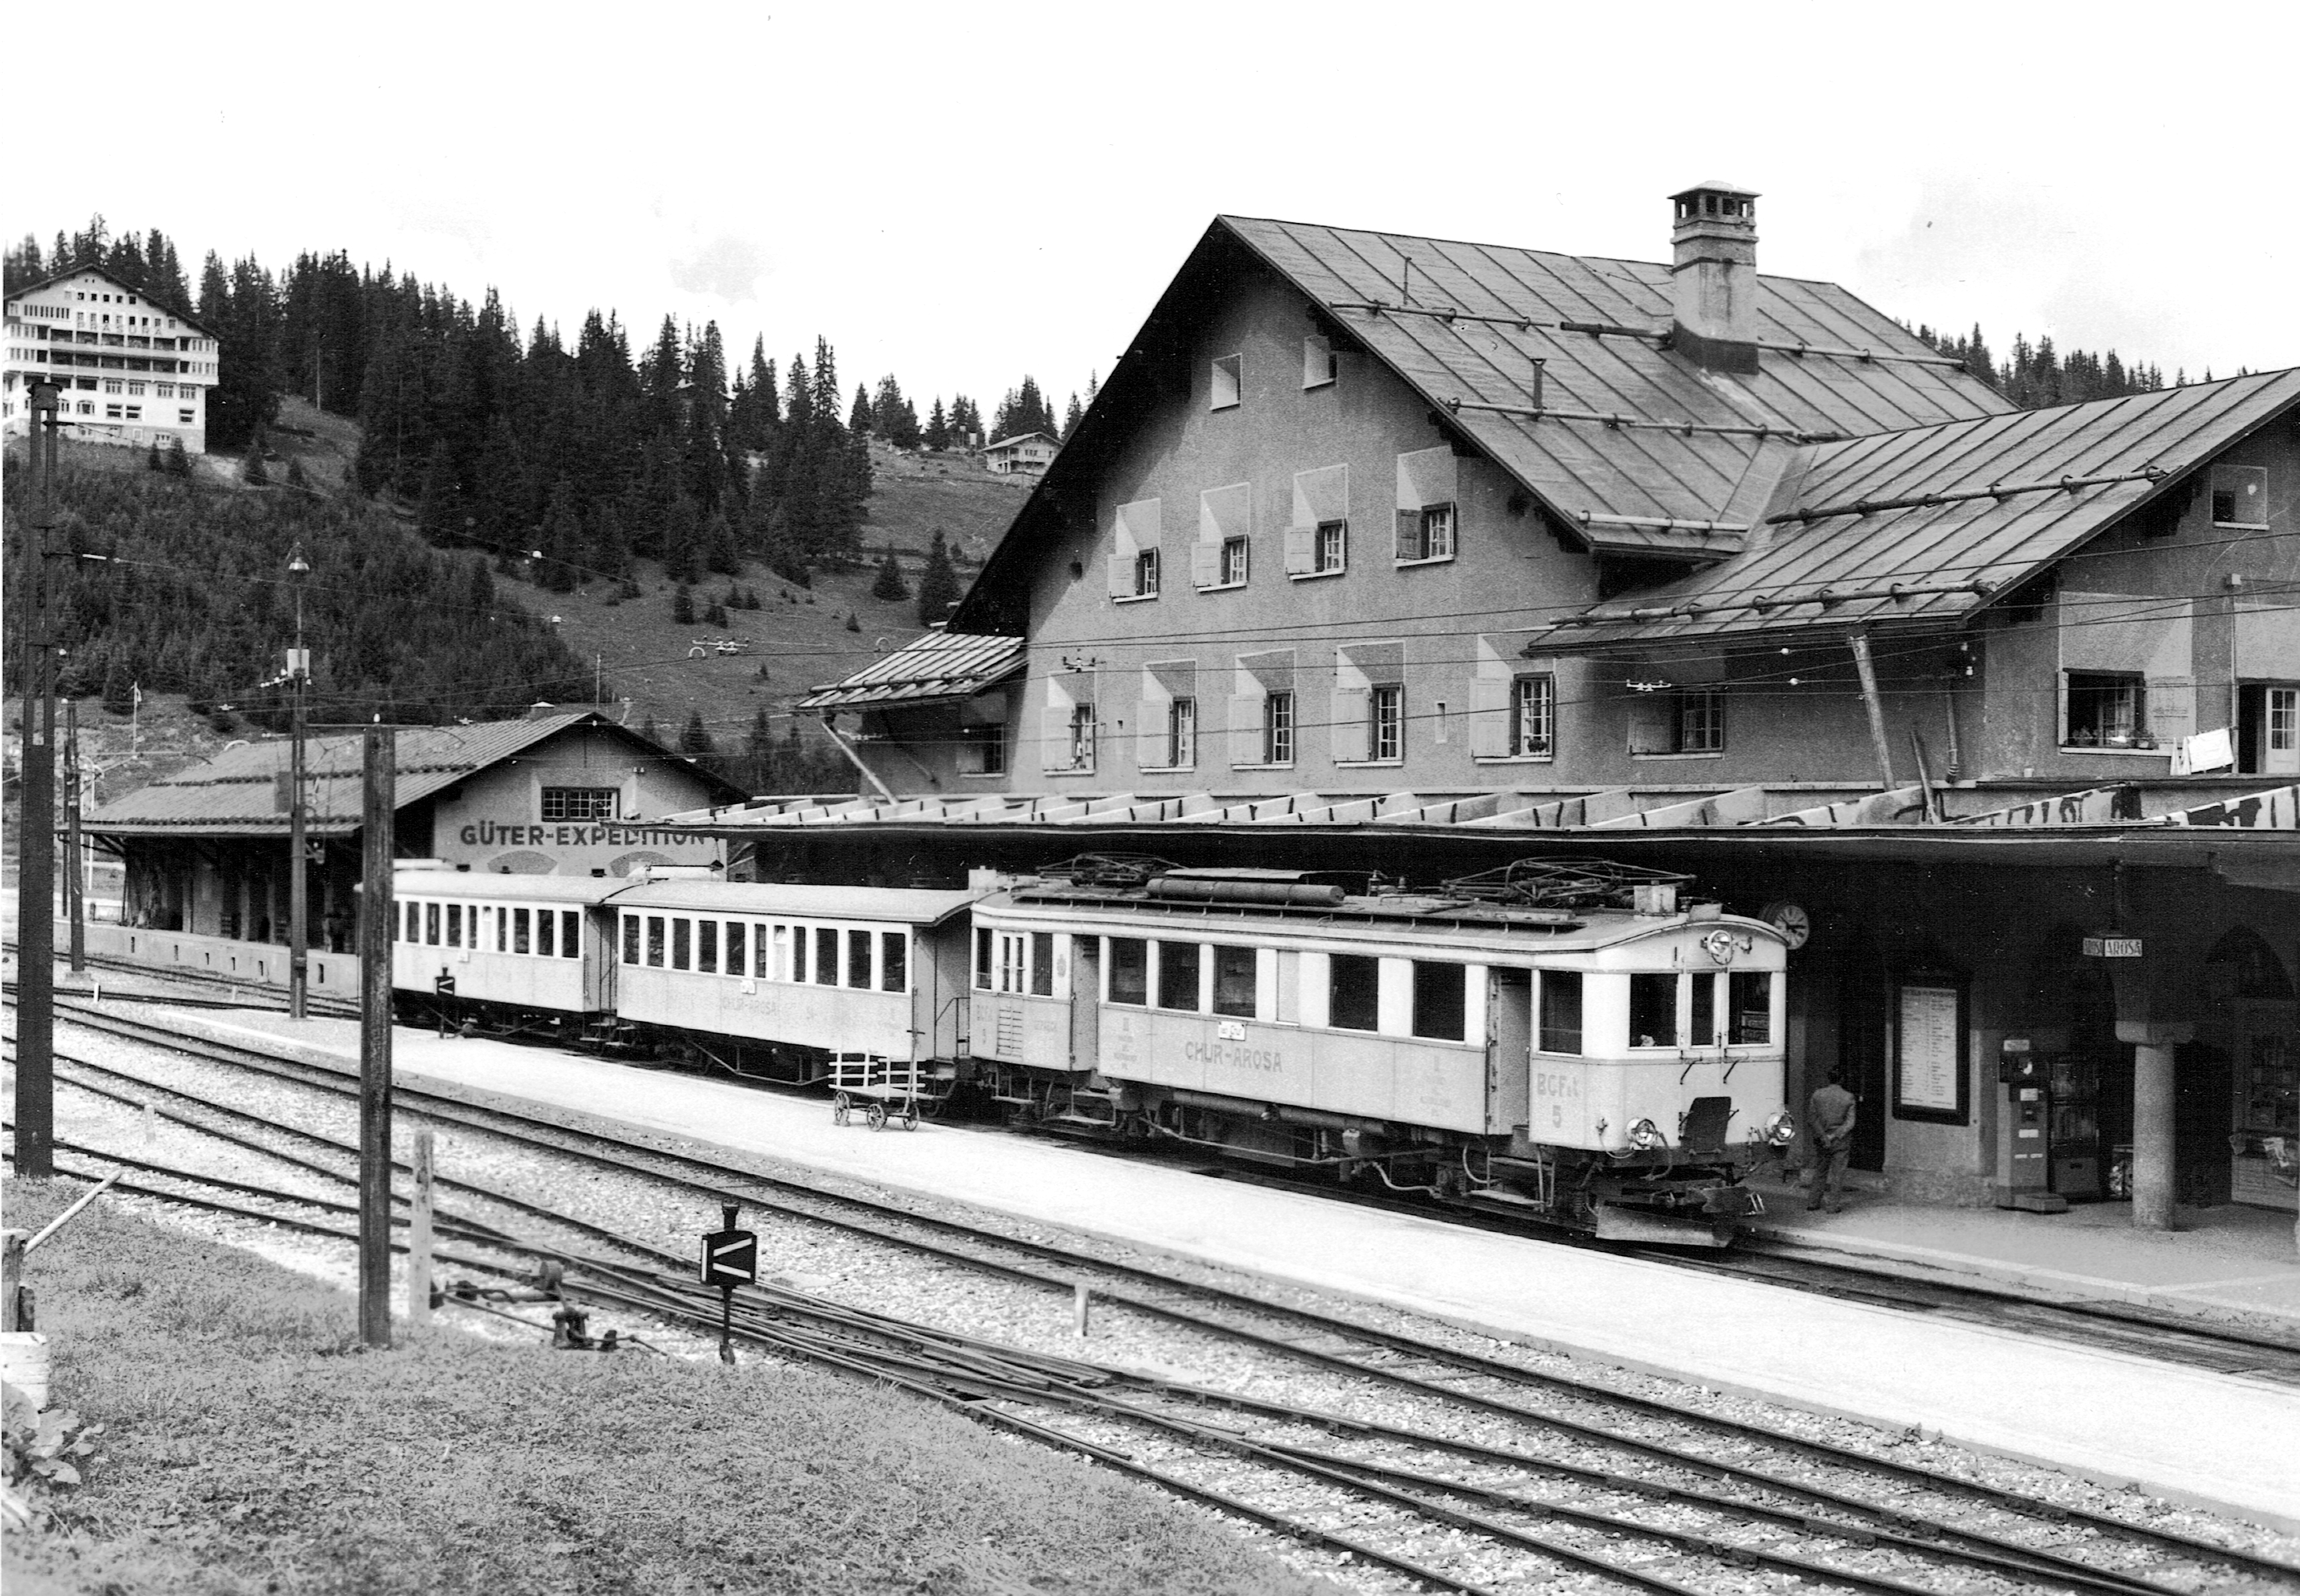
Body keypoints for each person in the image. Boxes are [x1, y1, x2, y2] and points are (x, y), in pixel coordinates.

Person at [1805, 1068, 1859, 1213]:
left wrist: (1823, 1136)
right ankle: (1832, 1206)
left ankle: (1813, 1202)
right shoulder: (1848, 1097)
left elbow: (1812, 1118)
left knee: (1820, 1171)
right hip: (1840, 1141)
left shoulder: (1817, 1095)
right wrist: (1834, 1135)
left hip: (1821, 1140)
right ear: (1842, 1079)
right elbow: (1850, 1123)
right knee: (1838, 1174)